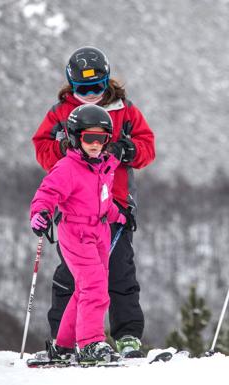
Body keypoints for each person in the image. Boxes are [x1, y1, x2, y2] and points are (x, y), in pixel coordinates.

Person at [32, 46, 155, 358]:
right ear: (71, 85)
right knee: (73, 274)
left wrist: (126, 151)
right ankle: (67, 338)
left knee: (119, 270)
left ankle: (127, 335)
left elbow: (147, 146)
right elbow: (43, 146)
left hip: (114, 204)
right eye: (82, 89)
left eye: (96, 88)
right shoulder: (62, 112)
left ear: (107, 81)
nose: (89, 95)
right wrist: (68, 151)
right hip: (75, 207)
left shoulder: (124, 109)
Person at [31, 104, 126, 364]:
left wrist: (120, 216)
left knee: (86, 288)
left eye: (101, 138)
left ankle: (64, 345)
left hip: (99, 232)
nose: (96, 145)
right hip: (75, 232)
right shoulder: (67, 168)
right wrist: (40, 213)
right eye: (89, 138)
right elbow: (47, 193)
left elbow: (104, 201)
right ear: (75, 138)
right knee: (95, 288)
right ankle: (90, 343)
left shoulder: (104, 167)